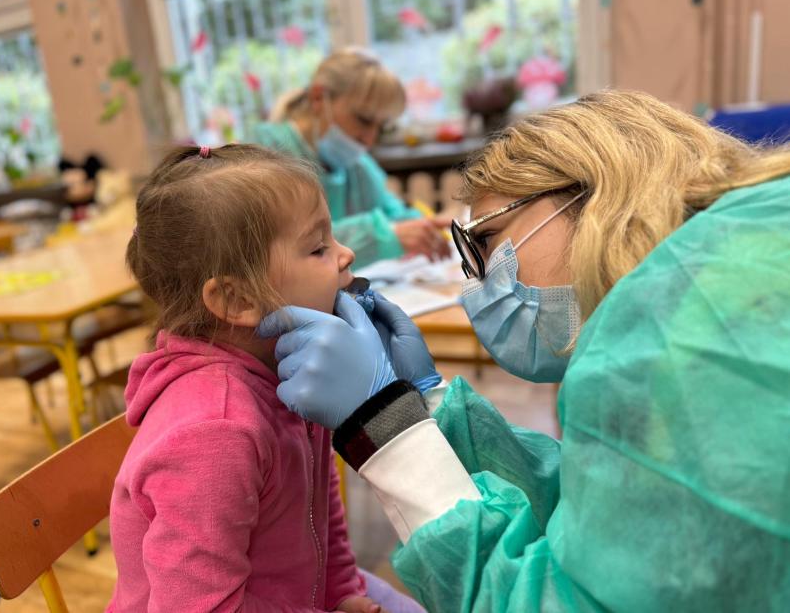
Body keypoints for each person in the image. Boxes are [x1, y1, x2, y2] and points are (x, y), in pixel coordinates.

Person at [259, 90, 790, 612]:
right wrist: (423, 408)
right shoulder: (739, 258)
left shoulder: (671, 343)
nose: (480, 280)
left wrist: (386, 428)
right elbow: (608, 512)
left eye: (486, 241)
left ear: (589, 193)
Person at [108, 144, 424, 612]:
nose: (346, 254)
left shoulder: (291, 372)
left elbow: (318, 508)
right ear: (236, 300)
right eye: (318, 248)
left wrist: (343, 591)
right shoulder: (216, 433)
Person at [255, 48, 450, 268]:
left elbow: (393, 214)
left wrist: (424, 227)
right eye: (364, 119)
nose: (369, 139)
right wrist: (384, 236)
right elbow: (285, 248)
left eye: (381, 127)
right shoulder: (262, 159)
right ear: (318, 98)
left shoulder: (357, 165)